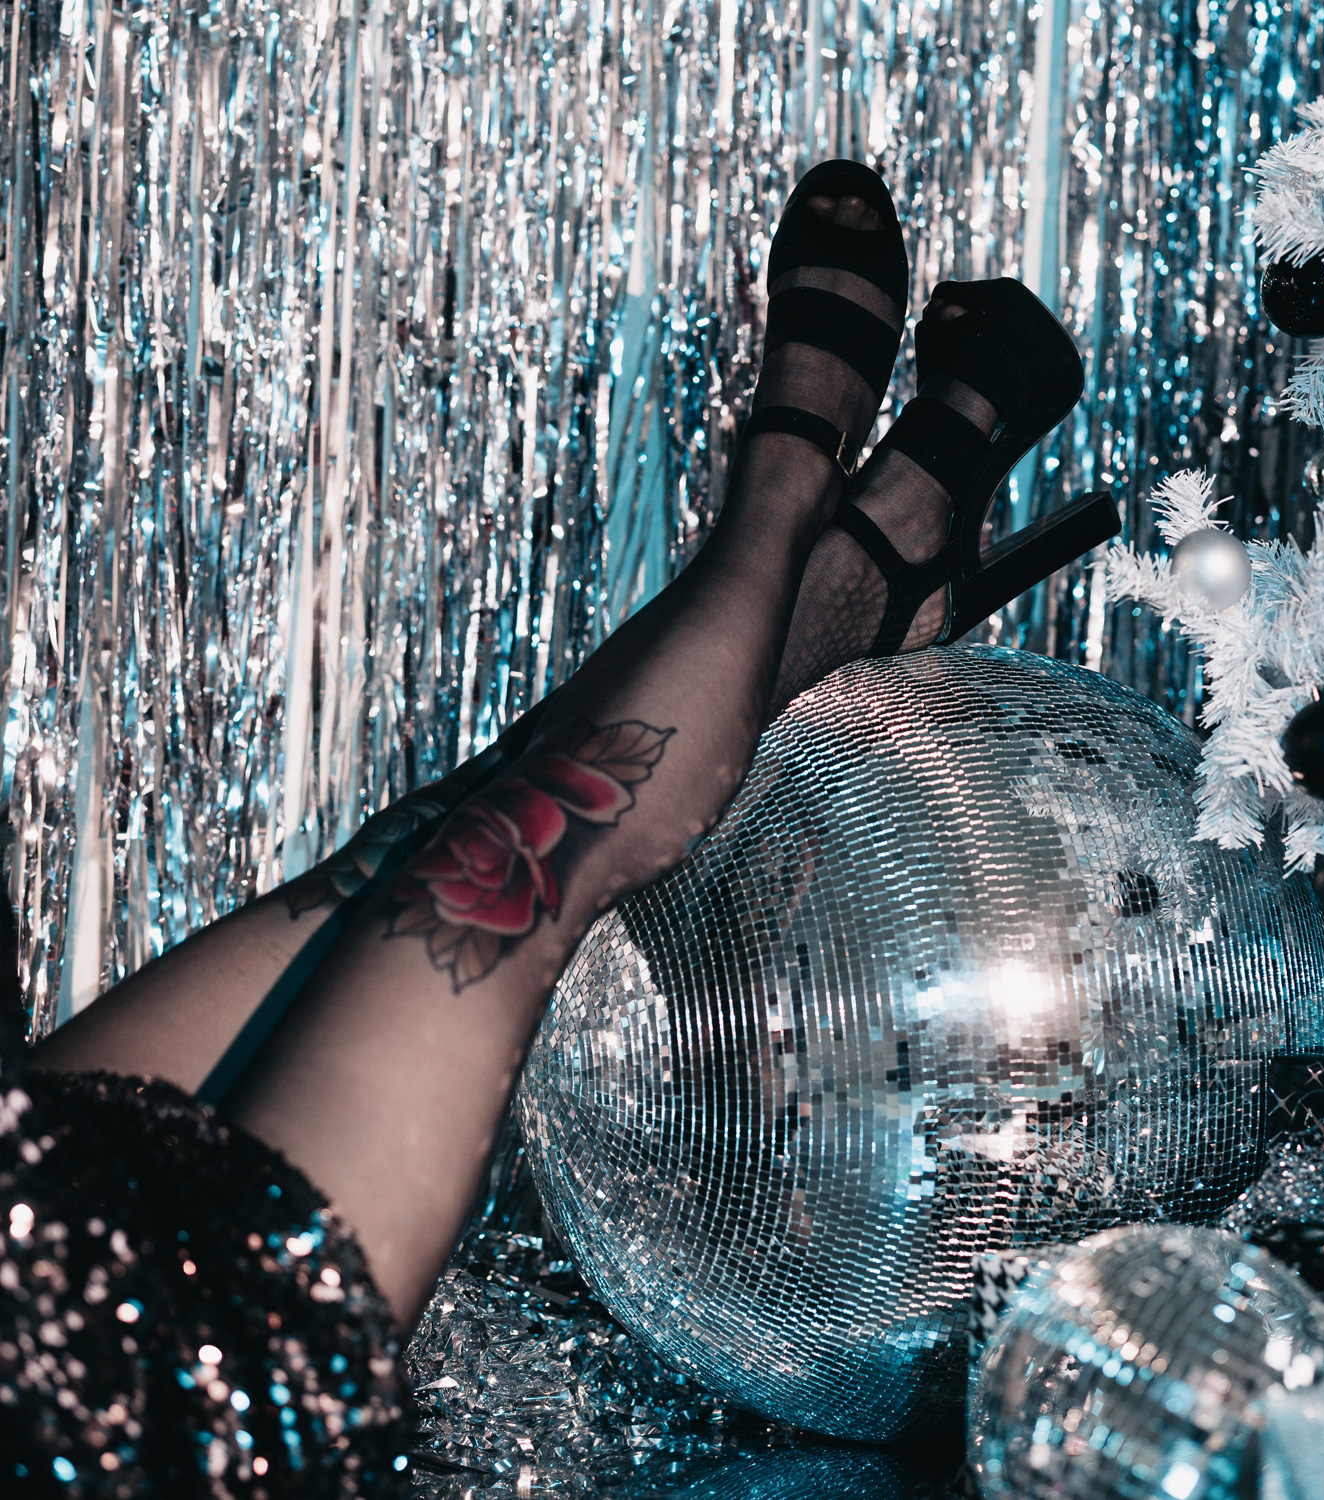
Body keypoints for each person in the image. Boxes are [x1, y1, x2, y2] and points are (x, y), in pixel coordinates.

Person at [1, 162, 1101, 1495]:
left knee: (420, 851)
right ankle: (795, 492)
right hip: (139, 1424)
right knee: (526, 850)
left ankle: (847, 592)